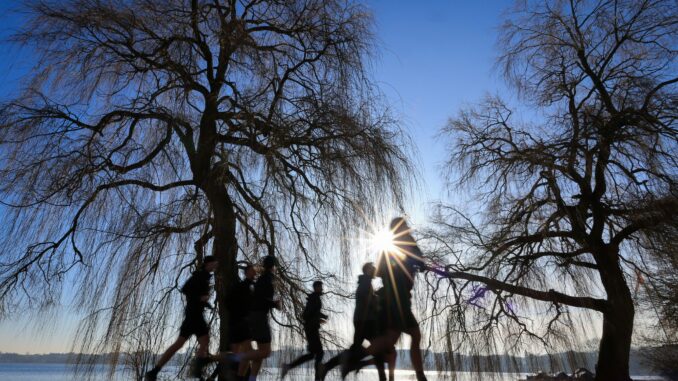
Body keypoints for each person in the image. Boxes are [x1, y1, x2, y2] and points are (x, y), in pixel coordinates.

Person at [342, 217, 427, 381]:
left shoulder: (395, 246)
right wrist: (416, 263)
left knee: (392, 339)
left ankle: (353, 360)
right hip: (396, 299)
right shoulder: (398, 245)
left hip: (398, 299)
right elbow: (383, 269)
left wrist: (418, 263)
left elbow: (415, 260)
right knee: (410, 335)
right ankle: (420, 375)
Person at [144, 256, 218, 381]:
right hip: (194, 315)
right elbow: (186, 289)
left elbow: (193, 293)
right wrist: (200, 298)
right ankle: (198, 372)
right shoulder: (200, 276)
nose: (215, 266)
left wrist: (206, 303)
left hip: (192, 314)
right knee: (205, 340)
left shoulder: (204, 276)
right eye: (214, 263)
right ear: (208, 264)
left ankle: (154, 371)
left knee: (180, 343)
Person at [210, 255, 280, 381]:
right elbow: (257, 300)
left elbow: (255, 300)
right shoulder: (257, 282)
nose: (255, 271)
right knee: (263, 353)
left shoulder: (256, 283)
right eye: (252, 269)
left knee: (256, 356)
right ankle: (230, 359)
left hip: (250, 320)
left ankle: (242, 377)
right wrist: (274, 304)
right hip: (246, 321)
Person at [321, 262, 395, 381]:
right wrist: (376, 304)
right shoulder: (365, 282)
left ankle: (329, 366)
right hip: (366, 321)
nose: (375, 269)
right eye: (372, 268)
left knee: (360, 348)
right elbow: (365, 298)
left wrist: (374, 298)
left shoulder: (366, 282)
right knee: (374, 350)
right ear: (367, 270)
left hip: (363, 320)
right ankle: (335, 366)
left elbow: (366, 297)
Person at [280, 280, 328, 380]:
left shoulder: (314, 298)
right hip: (311, 329)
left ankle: (289, 367)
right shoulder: (314, 298)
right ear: (316, 287)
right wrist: (318, 319)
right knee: (319, 353)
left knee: (312, 354)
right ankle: (317, 378)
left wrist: (321, 317)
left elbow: (312, 313)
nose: (322, 289)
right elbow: (306, 315)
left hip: (311, 328)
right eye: (320, 287)